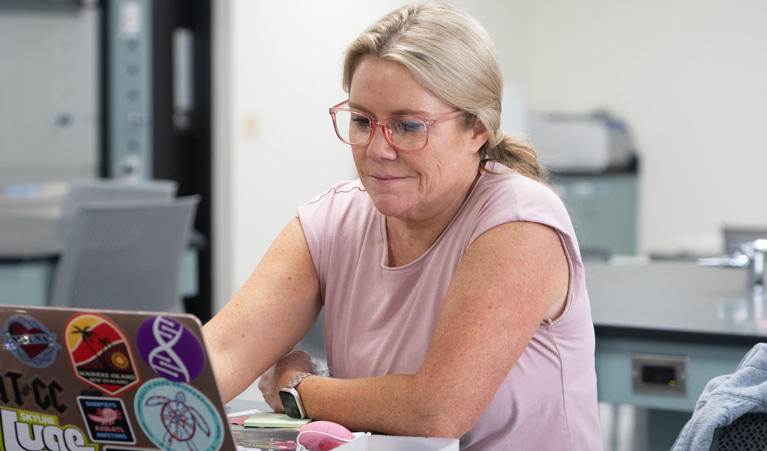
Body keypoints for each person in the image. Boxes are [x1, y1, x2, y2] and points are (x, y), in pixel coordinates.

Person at [203, 2, 603, 450]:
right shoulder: (333, 221)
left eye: (408, 126)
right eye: (362, 121)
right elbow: (214, 357)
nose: (377, 148)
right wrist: (121, 387)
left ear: (477, 129)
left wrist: (298, 388)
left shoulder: (519, 221)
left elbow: (436, 411)